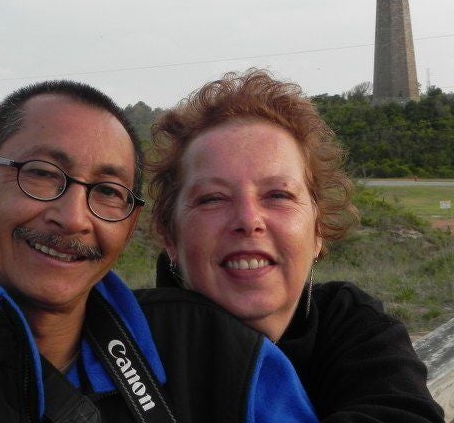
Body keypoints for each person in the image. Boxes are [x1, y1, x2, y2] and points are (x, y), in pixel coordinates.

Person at [0, 79, 317, 422]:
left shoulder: (219, 359)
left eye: (108, 191)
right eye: (42, 174)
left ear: (130, 224)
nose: (73, 217)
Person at [149, 69, 445, 422]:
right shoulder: (125, 345)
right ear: (171, 237)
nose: (249, 219)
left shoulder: (351, 325)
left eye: (278, 195)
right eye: (213, 198)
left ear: (318, 230)